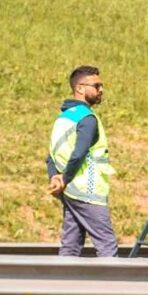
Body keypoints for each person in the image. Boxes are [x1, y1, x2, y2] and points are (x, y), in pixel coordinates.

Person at [46, 65, 119, 258]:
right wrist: (64, 178)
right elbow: (79, 153)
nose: (101, 90)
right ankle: (113, 279)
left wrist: (55, 177)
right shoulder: (87, 118)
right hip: (87, 191)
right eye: (96, 86)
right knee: (107, 246)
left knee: (71, 245)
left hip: (70, 191)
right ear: (79, 88)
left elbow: (51, 154)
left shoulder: (63, 117)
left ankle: (63, 278)